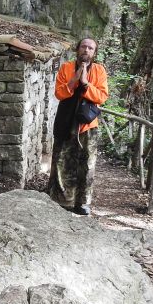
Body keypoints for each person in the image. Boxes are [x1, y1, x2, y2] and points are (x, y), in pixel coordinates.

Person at [48, 37, 109, 215]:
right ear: (77, 49)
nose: (86, 50)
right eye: (84, 46)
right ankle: (61, 199)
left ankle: (83, 202)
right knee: (61, 160)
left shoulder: (99, 71)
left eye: (90, 48)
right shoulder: (66, 67)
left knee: (86, 163)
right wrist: (74, 79)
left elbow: (102, 97)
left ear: (94, 53)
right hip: (66, 121)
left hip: (88, 125)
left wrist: (86, 83)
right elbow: (59, 93)